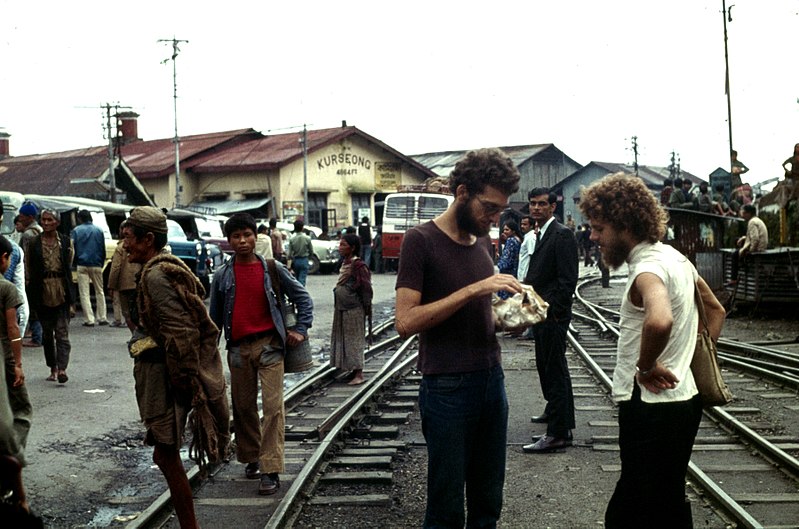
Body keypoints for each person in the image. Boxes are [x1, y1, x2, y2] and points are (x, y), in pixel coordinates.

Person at [579, 172, 725, 528]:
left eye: (598, 228)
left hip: (649, 407)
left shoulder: (646, 268)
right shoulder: (676, 258)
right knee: (668, 499)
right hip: (684, 402)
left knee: (631, 508)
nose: (593, 236)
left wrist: (646, 367)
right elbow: (716, 311)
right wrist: (682, 356)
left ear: (625, 224)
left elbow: (659, 321)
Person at [395, 148, 522, 528]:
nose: (495, 218)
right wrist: (474, 289)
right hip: (447, 386)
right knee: (447, 506)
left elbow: (477, 311)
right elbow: (406, 320)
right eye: (489, 207)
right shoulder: (420, 241)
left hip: (491, 380)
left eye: (500, 210)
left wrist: (508, 318)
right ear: (462, 192)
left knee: (488, 501)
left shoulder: (482, 240)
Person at [123, 207, 230, 528]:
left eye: (128, 238)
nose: (123, 244)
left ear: (148, 239)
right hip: (167, 376)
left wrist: (187, 386)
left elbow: (180, 334)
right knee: (163, 455)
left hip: (168, 380)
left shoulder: (156, 276)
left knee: (166, 455)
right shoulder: (161, 269)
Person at [210, 213, 312, 496]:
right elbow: (214, 319)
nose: (242, 241)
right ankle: (252, 456)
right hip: (238, 350)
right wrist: (206, 354)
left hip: (269, 347)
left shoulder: (272, 268)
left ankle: (271, 468)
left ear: (256, 236)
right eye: (236, 237)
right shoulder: (222, 276)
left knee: (273, 408)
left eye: (247, 235)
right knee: (243, 409)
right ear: (229, 241)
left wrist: (300, 329)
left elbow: (303, 297)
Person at [521, 187, 578, 454]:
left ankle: (556, 433)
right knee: (549, 367)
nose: (536, 208)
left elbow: (567, 280)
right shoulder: (541, 233)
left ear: (552, 207)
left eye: (542, 204)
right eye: (533, 204)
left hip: (551, 314)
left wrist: (554, 310)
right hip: (541, 312)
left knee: (554, 369)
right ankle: (561, 425)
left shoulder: (562, 235)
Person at [25, 209, 73, 384]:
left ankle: (62, 369)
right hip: (42, 290)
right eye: (43, 220)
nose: (45, 223)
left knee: (62, 333)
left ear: (57, 222)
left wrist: (72, 300)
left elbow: (68, 267)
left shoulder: (66, 242)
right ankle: (52, 367)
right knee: (47, 334)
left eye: (49, 220)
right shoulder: (33, 243)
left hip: (60, 289)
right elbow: (29, 268)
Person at [0, 235, 31, 468]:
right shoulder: (7, 289)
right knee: (21, 408)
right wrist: (18, 364)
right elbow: (13, 328)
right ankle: (12, 457)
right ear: (4, 259)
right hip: (5, 355)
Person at [330, 233, 372, 386]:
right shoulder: (344, 263)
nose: (339, 248)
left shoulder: (359, 265)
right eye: (340, 244)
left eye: (343, 245)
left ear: (352, 247)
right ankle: (352, 370)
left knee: (354, 340)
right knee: (345, 339)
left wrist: (366, 308)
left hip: (353, 309)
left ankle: (359, 374)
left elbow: (366, 289)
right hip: (342, 307)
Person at [71, 209, 108, 326]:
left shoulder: (76, 230)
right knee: (100, 291)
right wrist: (101, 262)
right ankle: (102, 317)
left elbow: (72, 249)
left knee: (84, 293)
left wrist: (72, 263)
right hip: (96, 264)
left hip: (82, 264)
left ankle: (89, 319)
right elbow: (102, 248)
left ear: (80, 218)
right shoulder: (99, 230)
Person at [16, 203, 42, 349]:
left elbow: (25, 259)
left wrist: (25, 278)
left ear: (30, 217)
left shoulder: (27, 235)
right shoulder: (40, 230)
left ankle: (36, 337)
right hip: (40, 276)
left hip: (31, 277)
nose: (20, 218)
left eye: (22, 216)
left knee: (32, 307)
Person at [727, 204, 768, 286]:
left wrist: (751, 251)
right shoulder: (757, 220)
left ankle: (733, 279)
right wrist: (743, 238)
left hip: (758, 248)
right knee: (737, 240)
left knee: (735, 254)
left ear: (749, 213)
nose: (743, 214)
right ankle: (741, 261)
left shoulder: (752, 222)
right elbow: (754, 235)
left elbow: (755, 238)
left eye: (744, 213)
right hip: (761, 246)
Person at [107, 237, 141, 331]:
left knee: (127, 314)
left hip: (125, 284)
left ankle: (135, 336)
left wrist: (111, 286)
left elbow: (115, 268)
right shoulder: (141, 244)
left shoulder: (120, 247)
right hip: (139, 283)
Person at [496, 220, 523, 299]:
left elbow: (506, 261)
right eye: (504, 229)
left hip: (506, 276)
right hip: (514, 274)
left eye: (507, 229)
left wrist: (498, 266)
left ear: (513, 231)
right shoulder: (519, 240)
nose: (504, 231)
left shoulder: (510, 241)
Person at [287, 219, 313, 286]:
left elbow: (289, 254)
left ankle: (297, 293)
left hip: (296, 260)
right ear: (302, 227)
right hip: (304, 259)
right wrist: (309, 257)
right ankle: (301, 293)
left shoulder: (292, 239)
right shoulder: (307, 238)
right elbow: (311, 251)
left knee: (296, 279)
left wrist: (289, 263)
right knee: (302, 279)